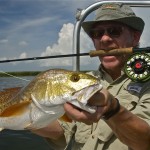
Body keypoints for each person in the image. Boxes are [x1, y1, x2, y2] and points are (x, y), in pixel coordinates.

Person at [32, 3, 150, 150]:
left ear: (135, 37)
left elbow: (145, 142)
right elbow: (63, 131)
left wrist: (112, 109)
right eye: (97, 33)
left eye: (114, 31)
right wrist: (24, 118)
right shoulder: (82, 80)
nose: (104, 39)